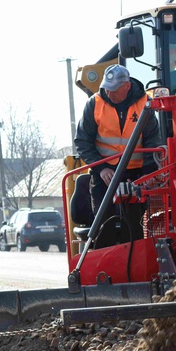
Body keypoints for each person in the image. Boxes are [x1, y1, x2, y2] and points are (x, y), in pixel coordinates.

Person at [74, 64, 161, 248]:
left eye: (113, 89)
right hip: (105, 173)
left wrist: (148, 173)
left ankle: (135, 266)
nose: (109, 92)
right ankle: (104, 266)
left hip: (135, 174)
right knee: (103, 223)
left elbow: (152, 140)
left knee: (134, 225)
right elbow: (82, 141)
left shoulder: (145, 102)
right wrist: (100, 168)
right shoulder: (95, 104)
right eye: (107, 87)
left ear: (127, 87)